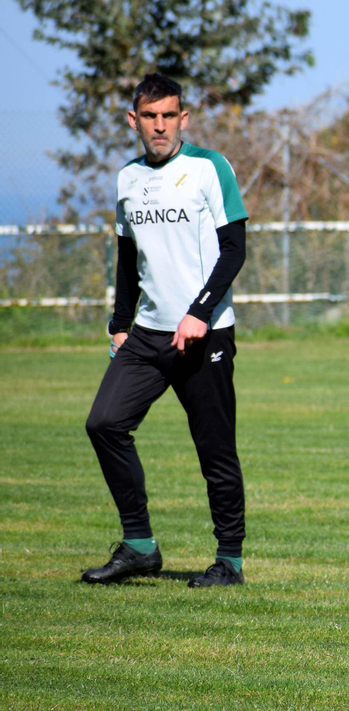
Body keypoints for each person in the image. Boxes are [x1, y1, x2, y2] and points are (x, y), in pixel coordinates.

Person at [81, 73, 250, 588]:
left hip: (205, 333)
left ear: (184, 117)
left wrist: (199, 312)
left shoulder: (208, 167)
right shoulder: (127, 179)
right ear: (134, 120)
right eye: (150, 116)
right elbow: (128, 256)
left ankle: (230, 561)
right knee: (104, 423)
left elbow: (234, 249)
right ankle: (138, 546)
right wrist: (118, 324)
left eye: (169, 115)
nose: (160, 125)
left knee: (214, 450)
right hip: (149, 335)